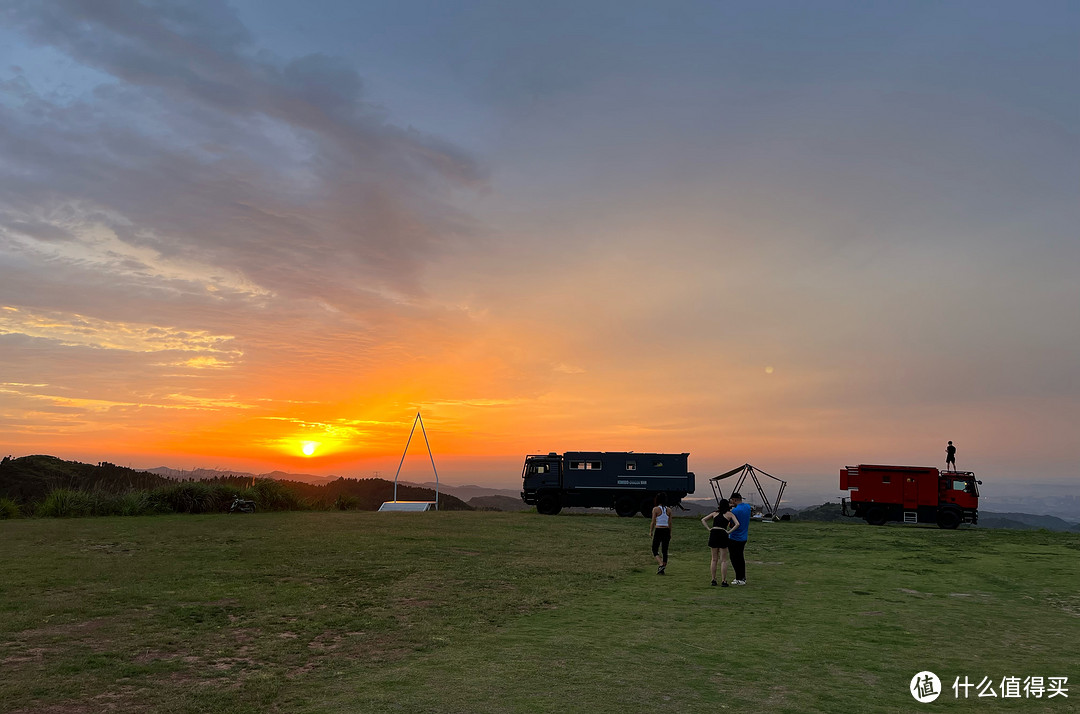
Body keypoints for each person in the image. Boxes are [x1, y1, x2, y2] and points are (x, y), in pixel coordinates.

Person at [701, 498, 739, 587]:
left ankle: (713, 579)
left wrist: (709, 529)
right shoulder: (729, 514)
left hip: (714, 533)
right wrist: (729, 532)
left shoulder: (715, 513)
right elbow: (737, 524)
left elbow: (703, 519)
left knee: (714, 559)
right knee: (724, 560)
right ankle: (724, 581)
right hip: (723, 533)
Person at [727, 492, 751, 585]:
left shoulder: (735, 512)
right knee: (741, 558)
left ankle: (738, 578)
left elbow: (730, 524)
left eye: (732, 501)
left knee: (734, 558)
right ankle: (742, 577)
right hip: (744, 537)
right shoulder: (747, 507)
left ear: (734, 500)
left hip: (734, 537)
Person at [650, 493, 672, 575]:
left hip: (658, 529)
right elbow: (670, 523)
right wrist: (670, 533)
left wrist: (651, 531)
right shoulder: (669, 510)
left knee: (654, 548)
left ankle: (660, 563)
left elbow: (653, 521)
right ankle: (662, 568)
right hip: (666, 530)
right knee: (665, 550)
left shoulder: (655, 509)